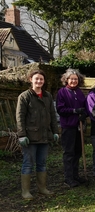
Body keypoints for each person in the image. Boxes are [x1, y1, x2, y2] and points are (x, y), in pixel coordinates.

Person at [16, 69, 59, 199]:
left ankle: (42, 188)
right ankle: (26, 191)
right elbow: (20, 117)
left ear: (44, 81)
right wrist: (21, 135)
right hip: (30, 137)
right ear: (31, 80)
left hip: (44, 136)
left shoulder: (47, 96)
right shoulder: (24, 96)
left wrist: (55, 132)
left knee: (42, 163)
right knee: (28, 163)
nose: (39, 81)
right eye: (36, 79)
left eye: (41, 79)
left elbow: (52, 115)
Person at [56, 68, 88, 188]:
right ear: (67, 80)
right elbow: (60, 109)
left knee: (78, 152)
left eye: (76, 79)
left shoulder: (79, 92)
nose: (74, 81)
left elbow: (84, 106)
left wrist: (84, 114)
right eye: (71, 79)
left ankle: (76, 175)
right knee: (69, 153)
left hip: (78, 127)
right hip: (68, 126)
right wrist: (74, 111)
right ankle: (68, 178)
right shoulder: (62, 92)